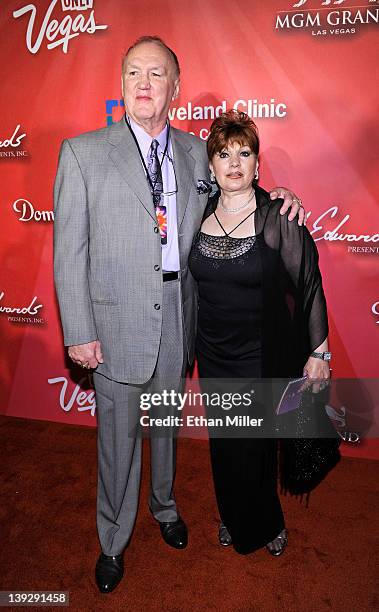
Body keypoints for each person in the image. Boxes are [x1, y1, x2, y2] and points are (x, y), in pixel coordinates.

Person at [53, 37, 305, 593]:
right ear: (121, 85)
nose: (145, 83)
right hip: (113, 319)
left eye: (157, 74)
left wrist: (281, 198)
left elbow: (240, 193)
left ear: (175, 88)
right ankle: (113, 539)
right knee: (117, 439)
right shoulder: (83, 153)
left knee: (165, 423)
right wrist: (79, 331)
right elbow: (68, 252)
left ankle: (165, 508)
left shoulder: (197, 153)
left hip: (180, 313)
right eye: (135, 73)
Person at [188, 110, 330, 556]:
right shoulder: (200, 211)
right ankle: (233, 515)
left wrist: (319, 351)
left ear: (257, 163)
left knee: (256, 444)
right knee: (225, 442)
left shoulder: (277, 217)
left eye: (243, 153)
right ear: (210, 166)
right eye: (224, 154)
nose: (234, 163)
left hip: (258, 354)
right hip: (212, 352)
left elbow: (309, 280)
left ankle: (267, 521)